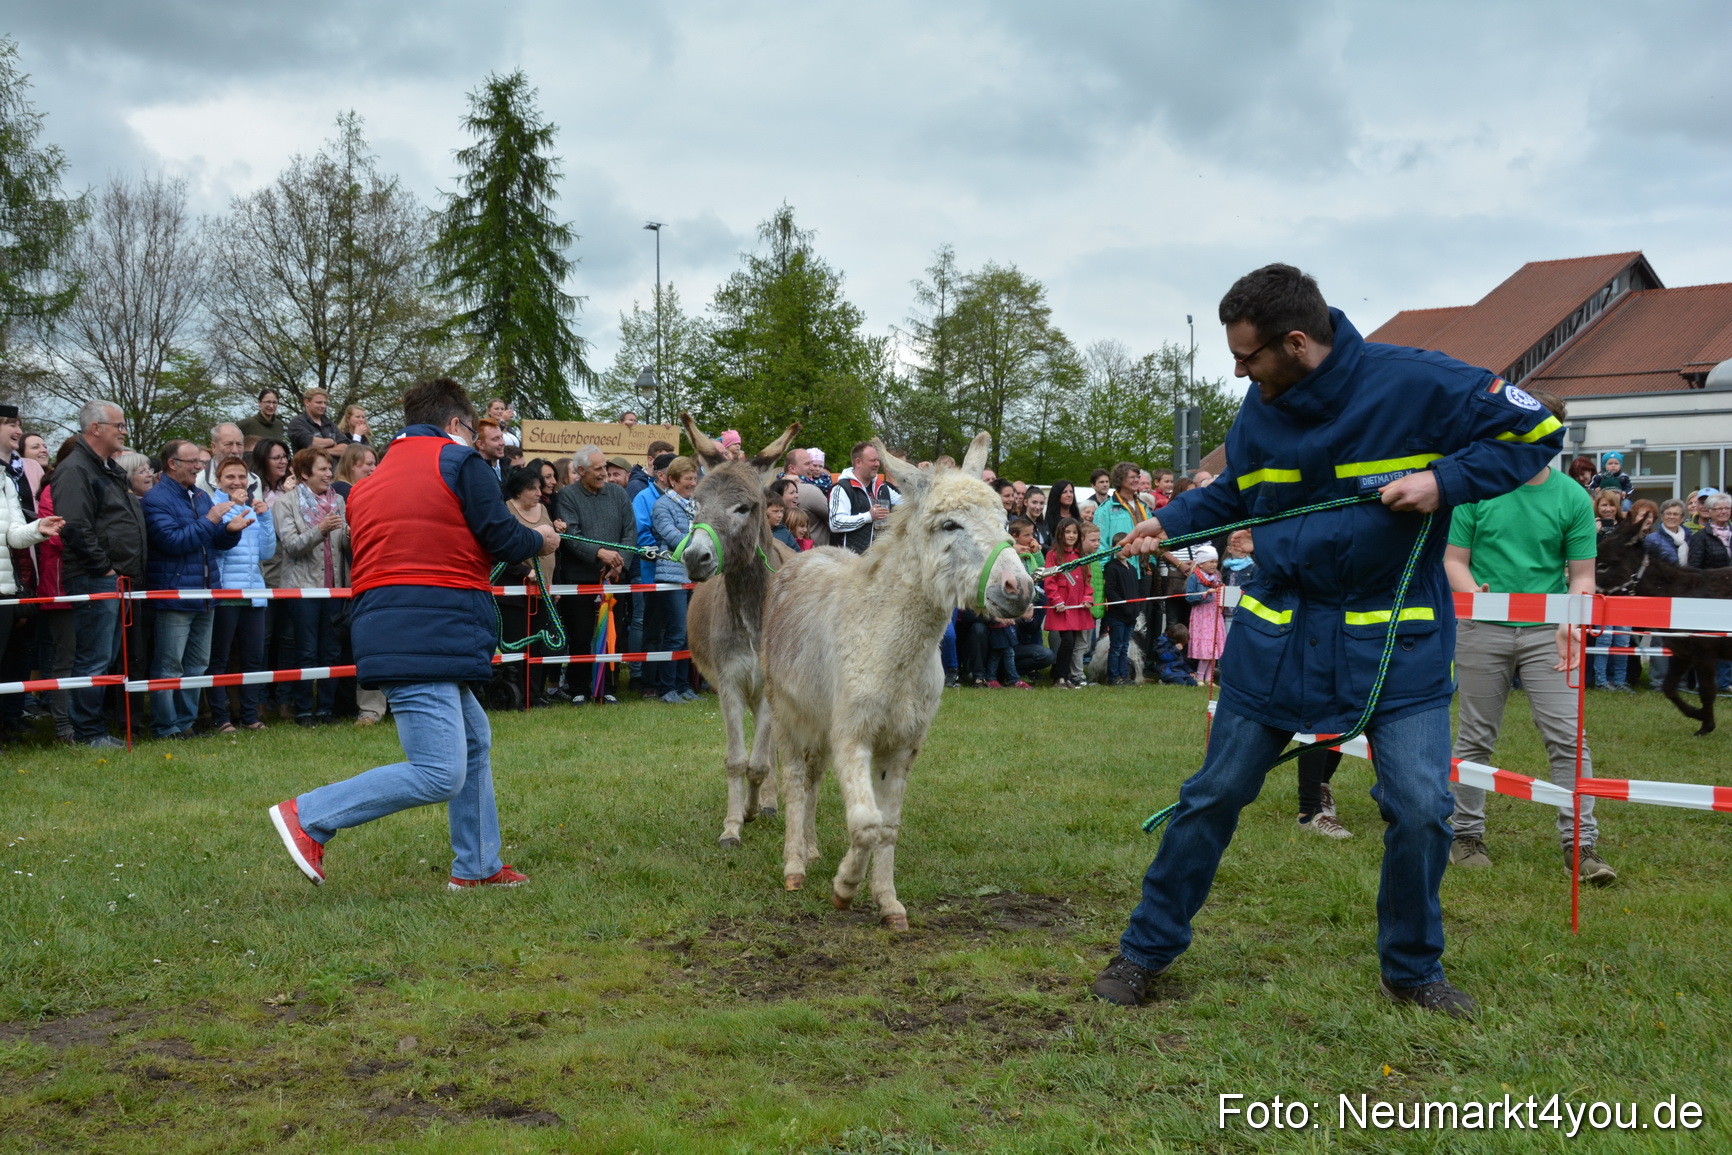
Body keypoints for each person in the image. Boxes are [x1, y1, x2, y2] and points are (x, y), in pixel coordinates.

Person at [1090, 262, 1564, 1020]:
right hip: (1277, 639)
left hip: (1393, 646)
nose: (1239, 371)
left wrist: (1445, 481)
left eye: (1249, 357)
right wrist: (1170, 520)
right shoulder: (1260, 404)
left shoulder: (1418, 383)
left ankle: (1412, 970)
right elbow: (1237, 489)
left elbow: (1538, 430)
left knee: (1419, 806)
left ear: (1299, 341)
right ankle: (1144, 952)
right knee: (1213, 795)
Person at [268, 376, 557, 889]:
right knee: (439, 771)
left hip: (399, 622)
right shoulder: (459, 461)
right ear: (454, 425)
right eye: (472, 429)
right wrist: (540, 538)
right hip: (427, 625)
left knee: (472, 741)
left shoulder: (366, 484)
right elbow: (500, 536)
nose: (474, 439)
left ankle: (477, 867)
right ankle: (309, 815)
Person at [1445, 390, 1610, 883]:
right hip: (1481, 629)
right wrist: (1475, 595)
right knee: (1475, 735)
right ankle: (1466, 835)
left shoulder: (1573, 497)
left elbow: (1582, 574)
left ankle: (1581, 847)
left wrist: (1572, 616)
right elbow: (1454, 560)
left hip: (1550, 633)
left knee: (1568, 738)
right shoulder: (1476, 491)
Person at [142, 438, 249, 738]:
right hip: (174, 596)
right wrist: (212, 520)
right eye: (192, 462)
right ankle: (166, 727)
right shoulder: (156, 500)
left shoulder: (200, 496)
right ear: (172, 464)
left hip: (205, 595)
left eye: (199, 462)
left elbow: (212, 541)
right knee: (169, 665)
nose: (199, 466)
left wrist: (228, 531)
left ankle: (186, 723)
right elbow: (172, 542)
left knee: (197, 665)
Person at [56, 401, 148, 748]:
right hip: (96, 578)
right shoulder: (76, 469)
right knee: (94, 656)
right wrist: (105, 568)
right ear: (96, 428)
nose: (124, 431)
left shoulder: (108, 469)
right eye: (119, 425)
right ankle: (88, 732)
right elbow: (75, 526)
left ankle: (96, 727)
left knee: (107, 655)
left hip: (118, 579)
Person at [554, 445, 635, 704]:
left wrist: (620, 563)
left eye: (605, 468)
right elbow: (570, 536)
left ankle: (608, 687)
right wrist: (601, 553)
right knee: (580, 635)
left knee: (613, 633)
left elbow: (630, 532)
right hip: (580, 578)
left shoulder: (619, 494)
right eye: (598, 469)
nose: (605, 474)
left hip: (614, 577)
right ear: (580, 471)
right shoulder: (567, 496)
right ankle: (579, 688)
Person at [276, 448, 348, 726]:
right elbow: (292, 546)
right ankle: (304, 711)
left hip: (334, 587)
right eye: (322, 469)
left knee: (331, 650)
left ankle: (326, 710)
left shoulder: (338, 500)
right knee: (306, 650)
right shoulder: (285, 503)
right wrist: (320, 530)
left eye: (330, 468)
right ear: (304, 473)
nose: (329, 474)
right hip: (302, 589)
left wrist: (351, 537)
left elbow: (342, 546)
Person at [0, 406, 63, 715]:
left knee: (10, 665)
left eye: (19, 423)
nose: (18, 430)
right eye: (11, 424)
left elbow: (12, 535)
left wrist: (38, 529)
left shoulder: (8, 479)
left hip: (8, 588)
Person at [207, 455, 275, 733]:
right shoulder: (213, 507)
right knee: (219, 659)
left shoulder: (253, 508)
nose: (237, 482)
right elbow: (217, 547)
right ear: (219, 481)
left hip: (254, 593)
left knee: (253, 658)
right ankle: (220, 718)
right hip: (225, 593)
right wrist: (232, 511)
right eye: (230, 477)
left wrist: (266, 517)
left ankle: (249, 715)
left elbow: (267, 553)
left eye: (242, 477)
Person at [499, 466, 562, 707]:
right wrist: (526, 571)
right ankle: (514, 694)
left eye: (539, 487)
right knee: (516, 644)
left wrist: (553, 585)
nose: (539, 492)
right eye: (532, 488)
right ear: (518, 490)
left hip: (543, 592)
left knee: (538, 647)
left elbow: (555, 547)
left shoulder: (545, 509)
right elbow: (500, 553)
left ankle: (534, 695)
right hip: (514, 593)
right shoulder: (505, 511)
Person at [648, 457, 699, 703]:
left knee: (690, 633)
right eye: (688, 478)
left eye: (694, 478)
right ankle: (666, 688)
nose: (693, 483)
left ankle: (683, 685)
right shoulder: (662, 506)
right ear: (672, 480)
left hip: (696, 577)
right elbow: (672, 537)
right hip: (672, 577)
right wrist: (700, 546)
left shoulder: (697, 505)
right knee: (675, 632)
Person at [1043, 517, 1091, 688]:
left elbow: (1087, 580)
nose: (1071, 536)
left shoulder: (1081, 556)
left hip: (1077, 606)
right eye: (1067, 532)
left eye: (1074, 532)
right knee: (1067, 641)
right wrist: (1056, 600)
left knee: (1074, 642)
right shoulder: (1053, 555)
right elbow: (1049, 581)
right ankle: (1059, 676)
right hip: (1062, 607)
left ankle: (1066, 676)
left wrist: (1087, 598)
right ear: (1060, 534)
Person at [829, 441, 894, 553]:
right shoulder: (842, 488)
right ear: (858, 462)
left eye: (878, 460)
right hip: (850, 561)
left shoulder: (882, 487)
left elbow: (907, 501)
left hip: (880, 559)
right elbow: (836, 523)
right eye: (873, 460)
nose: (877, 464)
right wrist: (869, 516)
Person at [1102, 534, 1141, 686]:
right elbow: (1110, 591)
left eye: (1126, 546)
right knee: (1116, 647)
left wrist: (1135, 609)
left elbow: (1135, 591)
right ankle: (1113, 677)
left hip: (1130, 616)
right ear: (1113, 548)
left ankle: (1124, 676)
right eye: (1119, 546)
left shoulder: (1132, 569)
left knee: (1125, 647)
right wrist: (1123, 605)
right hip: (1117, 615)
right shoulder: (1111, 567)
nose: (1123, 550)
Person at [1184, 545, 1225, 685]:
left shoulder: (1217, 577)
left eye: (1215, 561)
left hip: (1214, 614)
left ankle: (1209, 678)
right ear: (1201, 563)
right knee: (1206, 648)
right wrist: (1204, 595)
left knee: (1213, 648)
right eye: (1211, 561)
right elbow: (1189, 597)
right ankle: (1200, 677)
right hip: (1202, 616)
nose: (1214, 565)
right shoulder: (1194, 578)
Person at [195, 424, 256, 498]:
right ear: (214, 447)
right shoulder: (199, 483)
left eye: (239, 444)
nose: (235, 450)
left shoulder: (255, 480)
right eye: (228, 444)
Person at [286, 388, 340, 459]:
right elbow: (310, 443)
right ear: (307, 402)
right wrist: (332, 442)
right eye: (319, 402)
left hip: (334, 469)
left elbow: (345, 449)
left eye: (325, 403)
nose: (323, 406)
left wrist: (324, 451)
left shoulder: (330, 424)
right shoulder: (297, 423)